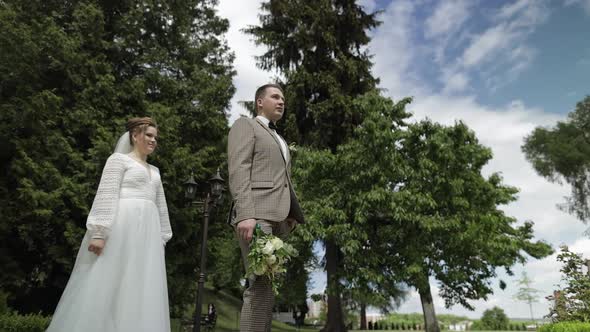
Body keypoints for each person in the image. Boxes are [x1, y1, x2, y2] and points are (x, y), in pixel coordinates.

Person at [46, 117, 173, 332]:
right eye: (149, 135)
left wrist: (162, 236)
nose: (153, 140)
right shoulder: (118, 160)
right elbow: (106, 194)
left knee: (138, 286)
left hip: (147, 236)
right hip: (122, 228)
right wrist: (99, 232)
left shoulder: (155, 171)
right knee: (108, 280)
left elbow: (161, 206)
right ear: (135, 135)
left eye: (155, 137)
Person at [228, 84, 305, 331]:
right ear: (259, 102)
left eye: (283, 98)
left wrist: (291, 215)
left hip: (278, 220)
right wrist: (246, 213)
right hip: (256, 215)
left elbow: (282, 180)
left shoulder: (280, 139)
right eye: (275, 97)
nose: (281, 102)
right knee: (259, 285)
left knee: (267, 287)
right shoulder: (246, 126)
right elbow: (239, 169)